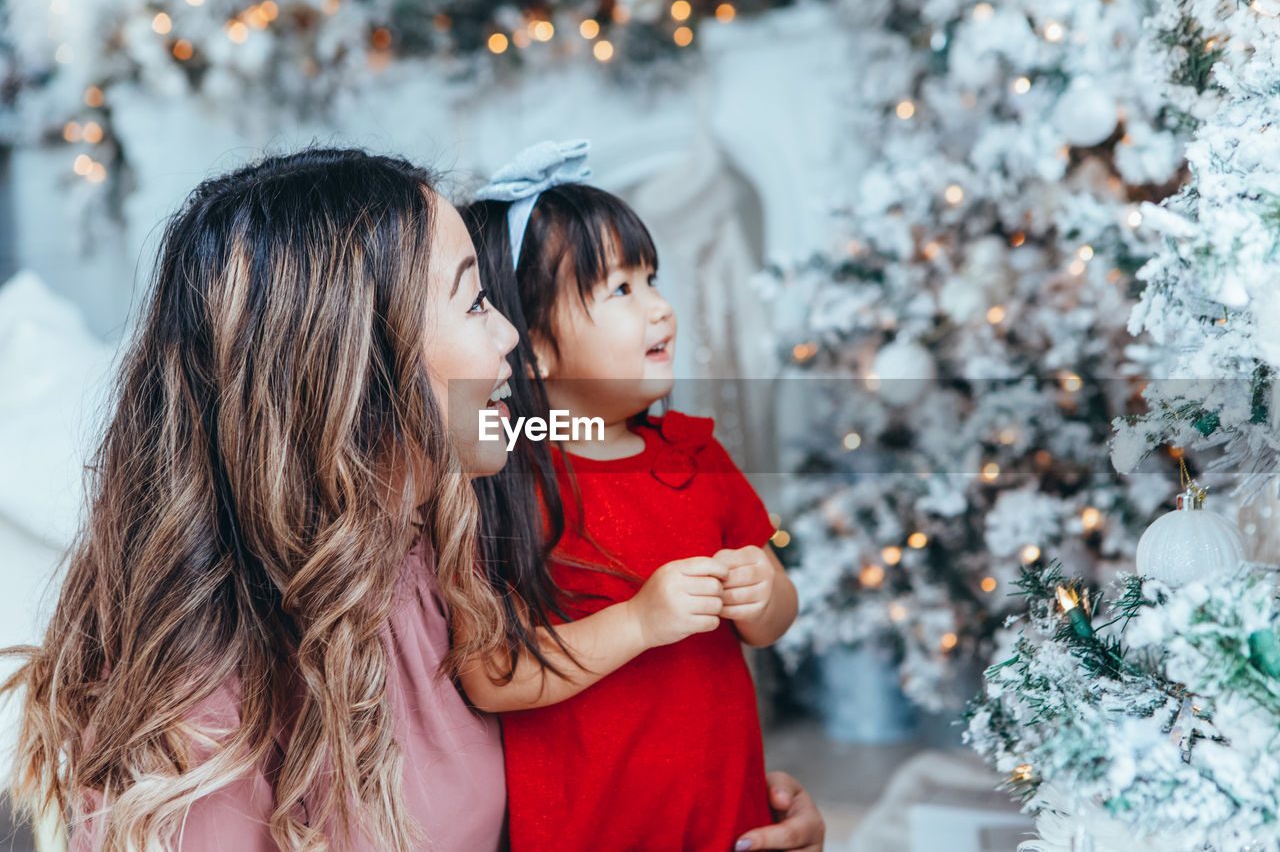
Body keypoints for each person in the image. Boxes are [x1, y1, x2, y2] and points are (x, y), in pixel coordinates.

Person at [1, 148, 824, 851]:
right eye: (474, 301)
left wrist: (727, 806)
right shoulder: (209, 696)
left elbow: (568, 763)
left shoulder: (447, 555)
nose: (510, 337)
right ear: (356, 364)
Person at [458, 141, 802, 851]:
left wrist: (766, 593)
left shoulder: (696, 453)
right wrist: (641, 621)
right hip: (595, 828)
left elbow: (770, 623)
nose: (661, 308)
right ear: (534, 347)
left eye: (652, 278)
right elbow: (494, 674)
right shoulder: (507, 479)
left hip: (722, 815)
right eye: (621, 290)